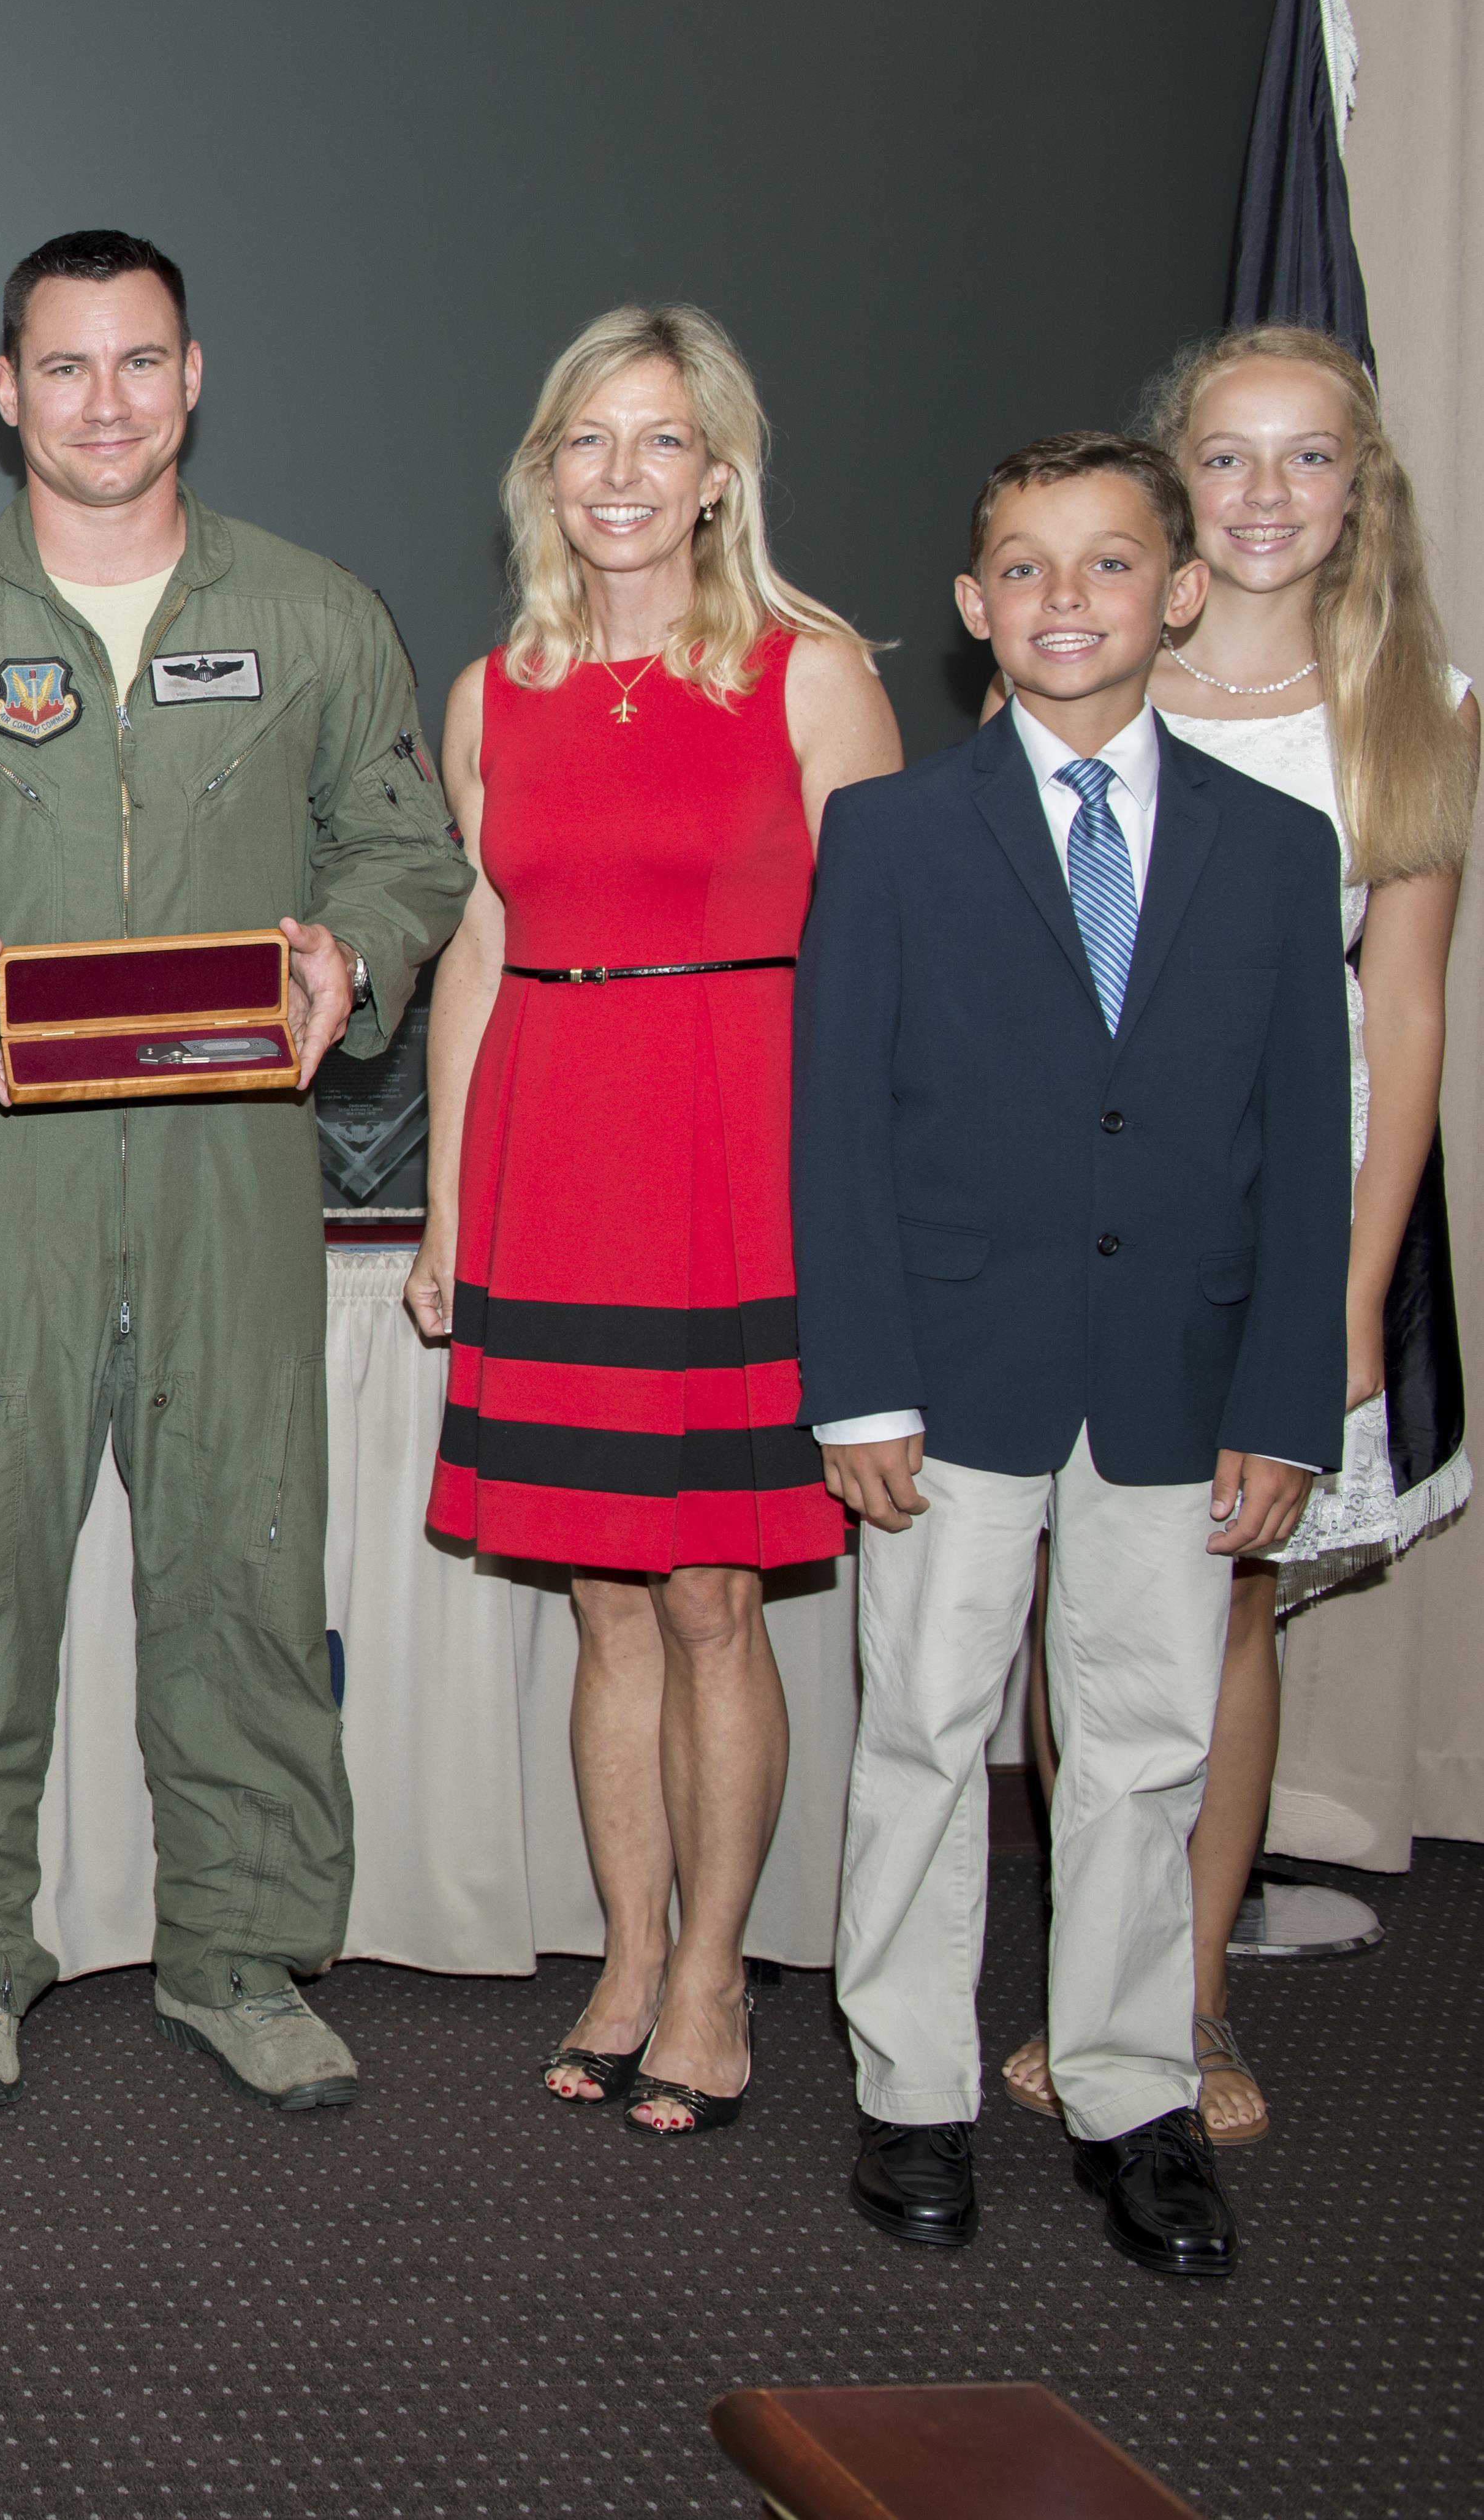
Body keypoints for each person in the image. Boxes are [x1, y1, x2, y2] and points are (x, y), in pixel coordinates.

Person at [0, 229, 471, 2111]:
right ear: (6, 390)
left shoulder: (315, 617)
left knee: (245, 1554)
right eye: (67, 366)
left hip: (228, 1177)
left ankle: (240, 1952)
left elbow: (405, 852)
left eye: (141, 362)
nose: (106, 402)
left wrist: (352, 955)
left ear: (194, 379)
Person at [803, 432, 1344, 2283]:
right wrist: (860, 1386)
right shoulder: (890, 838)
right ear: (974, 607)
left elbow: (1308, 1149)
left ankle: (1131, 2091)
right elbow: (836, 1131)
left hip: (1178, 1384)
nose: (1066, 598)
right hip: (950, 1376)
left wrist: (1283, 1404)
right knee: (924, 1732)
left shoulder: (1275, 852)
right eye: (1025, 567)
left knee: (1142, 1748)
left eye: (1109, 563)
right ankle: (912, 2089)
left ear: (1176, 593)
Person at [406, 307, 899, 2135]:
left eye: (661, 440)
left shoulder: (808, 673)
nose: (621, 474)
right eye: (588, 441)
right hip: (553, 1160)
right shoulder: (492, 690)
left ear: (718, 477)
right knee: (603, 1602)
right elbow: (477, 948)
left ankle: (712, 1976)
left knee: (708, 1597)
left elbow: (888, 969)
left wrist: (863, 1222)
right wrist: (449, 1211)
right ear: (544, 473)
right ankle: (625, 1957)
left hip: (737, 1165)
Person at [990, 326, 1477, 2145]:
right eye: (1226, 456)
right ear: (1172, 483)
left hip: (1286, 1206)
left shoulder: (1417, 703)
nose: (1266, 494)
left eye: (1309, 457)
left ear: (1361, 489)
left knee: (1224, 1592)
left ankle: (1185, 2001)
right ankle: (1085, 1985)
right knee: (1083, 1589)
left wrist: (1347, 1296)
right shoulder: (1081, 653)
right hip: (1080, 1204)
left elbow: (1403, 1018)